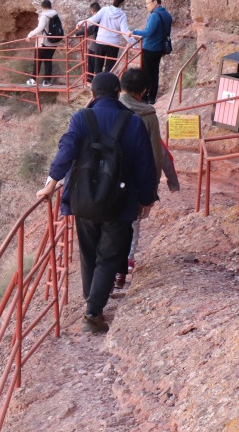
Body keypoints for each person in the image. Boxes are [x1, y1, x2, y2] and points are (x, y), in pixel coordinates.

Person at [36, 72, 157, 333]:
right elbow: (145, 165)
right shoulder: (134, 122)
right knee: (109, 256)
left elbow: (66, 150)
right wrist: (146, 199)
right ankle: (93, 312)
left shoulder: (82, 118)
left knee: (89, 253)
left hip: (84, 199)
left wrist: (51, 184)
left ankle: (91, 301)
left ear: (93, 94)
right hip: (120, 200)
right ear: (117, 93)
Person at [117, 68, 164, 288]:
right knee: (132, 221)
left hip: (110, 176)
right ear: (144, 90)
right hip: (135, 180)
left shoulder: (109, 108)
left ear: (121, 87)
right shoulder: (148, 115)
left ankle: (109, 269)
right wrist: (152, 190)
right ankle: (125, 264)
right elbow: (156, 154)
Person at [131, 0, 173, 104]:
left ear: (155, 2)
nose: (147, 6)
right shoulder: (167, 14)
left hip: (150, 48)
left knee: (146, 73)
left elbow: (148, 32)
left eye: (148, 3)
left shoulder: (154, 15)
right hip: (160, 49)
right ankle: (152, 97)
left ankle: (144, 97)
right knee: (154, 73)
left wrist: (134, 32)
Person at [77, 0, 132, 75]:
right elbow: (125, 32)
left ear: (112, 0)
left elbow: (92, 20)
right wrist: (134, 44)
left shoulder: (104, 10)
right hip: (113, 43)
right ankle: (107, 82)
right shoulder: (122, 15)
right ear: (123, 2)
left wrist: (80, 23)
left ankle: (97, 81)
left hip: (101, 41)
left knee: (98, 66)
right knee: (110, 67)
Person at [26, 0, 63, 86]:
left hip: (43, 42)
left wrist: (30, 34)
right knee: (48, 60)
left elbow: (40, 28)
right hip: (54, 42)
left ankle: (33, 79)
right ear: (50, 6)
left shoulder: (44, 16)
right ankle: (46, 81)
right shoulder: (57, 15)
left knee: (37, 60)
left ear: (42, 7)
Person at [74, 2, 101, 81]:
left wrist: (78, 33)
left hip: (95, 43)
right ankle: (97, 79)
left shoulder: (96, 19)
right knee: (98, 62)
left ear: (92, 11)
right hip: (102, 42)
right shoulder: (103, 16)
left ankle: (90, 78)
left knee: (92, 61)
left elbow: (90, 30)